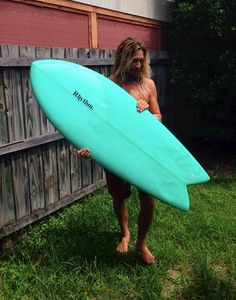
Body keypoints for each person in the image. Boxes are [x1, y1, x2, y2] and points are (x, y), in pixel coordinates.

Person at [78, 37, 162, 264]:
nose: (137, 66)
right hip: (116, 149)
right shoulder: (110, 85)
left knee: (149, 201)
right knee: (119, 195)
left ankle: (141, 242)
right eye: (133, 61)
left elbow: (158, 116)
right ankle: (125, 233)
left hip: (142, 150)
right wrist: (89, 145)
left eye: (140, 61)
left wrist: (147, 113)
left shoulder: (148, 85)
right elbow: (98, 120)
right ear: (122, 59)